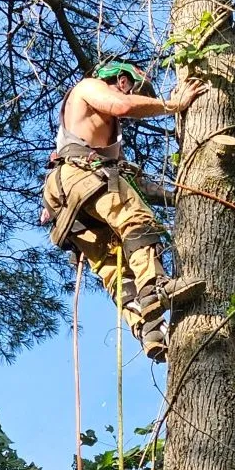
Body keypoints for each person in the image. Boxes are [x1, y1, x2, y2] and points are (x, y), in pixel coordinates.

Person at [42, 60, 208, 362]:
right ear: (121, 79)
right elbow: (120, 106)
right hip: (80, 178)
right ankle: (156, 287)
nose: (132, 93)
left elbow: (130, 179)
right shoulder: (90, 87)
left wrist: (179, 195)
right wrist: (174, 104)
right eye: (132, 87)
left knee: (112, 264)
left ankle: (148, 328)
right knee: (137, 221)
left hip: (69, 196)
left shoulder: (96, 134)